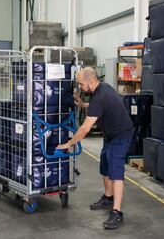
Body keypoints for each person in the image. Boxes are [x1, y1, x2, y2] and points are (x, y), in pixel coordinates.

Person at [57, 67, 133, 230]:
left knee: (116, 170)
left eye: (80, 84)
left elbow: (85, 129)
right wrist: (84, 104)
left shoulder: (101, 95)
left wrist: (69, 143)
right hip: (110, 134)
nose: (79, 87)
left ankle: (117, 212)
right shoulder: (101, 89)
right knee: (104, 165)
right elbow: (99, 106)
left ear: (91, 82)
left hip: (121, 134)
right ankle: (108, 197)